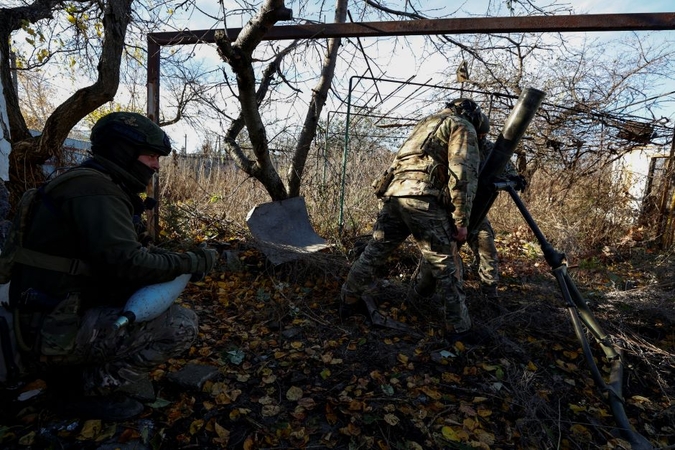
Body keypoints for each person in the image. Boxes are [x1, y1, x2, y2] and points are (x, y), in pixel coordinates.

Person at [0, 112, 218, 420]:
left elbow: (117, 256)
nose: (155, 165)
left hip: (48, 315)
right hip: (50, 330)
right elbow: (128, 263)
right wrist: (192, 261)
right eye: (151, 156)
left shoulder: (88, 183)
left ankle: (70, 375)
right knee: (180, 326)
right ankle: (78, 391)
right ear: (123, 152)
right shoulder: (96, 191)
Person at [341, 98, 482, 336]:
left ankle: (348, 299)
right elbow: (462, 175)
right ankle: (459, 329)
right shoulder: (460, 125)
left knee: (374, 252)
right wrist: (461, 220)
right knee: (445, 265)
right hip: (423, 199)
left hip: (394, 195)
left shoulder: (425, 124)